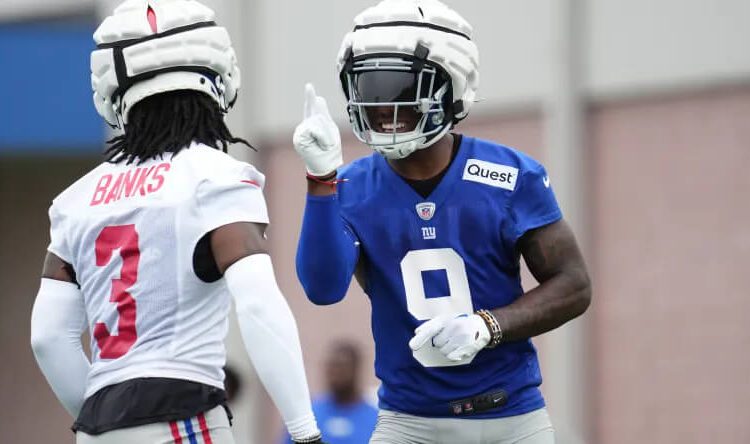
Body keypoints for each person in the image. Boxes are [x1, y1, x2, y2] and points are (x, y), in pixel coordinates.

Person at [293, 1, 592, 443]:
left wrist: (488, 326)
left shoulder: (510, 175)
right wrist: (320, 181)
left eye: (397, 87)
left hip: (511, 419)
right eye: (367, 87)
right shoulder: (350, 185)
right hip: (407, 424)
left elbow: (573, 285)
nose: (379, 105)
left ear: (452, 87)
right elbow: (322, 290)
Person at [29, 1, 322, 443]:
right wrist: (304, 430)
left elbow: (48, 339)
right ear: (217, 76)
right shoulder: (216, 176)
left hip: (98, 425)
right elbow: (259, 304)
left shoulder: (76, 199)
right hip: (182, 414)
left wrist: (106, 421)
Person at [282, 342, 378, 444]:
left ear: (356, 369)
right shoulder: (308, 415)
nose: (335, 374)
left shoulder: (376, 421)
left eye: (342, 367)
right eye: (332, 367)